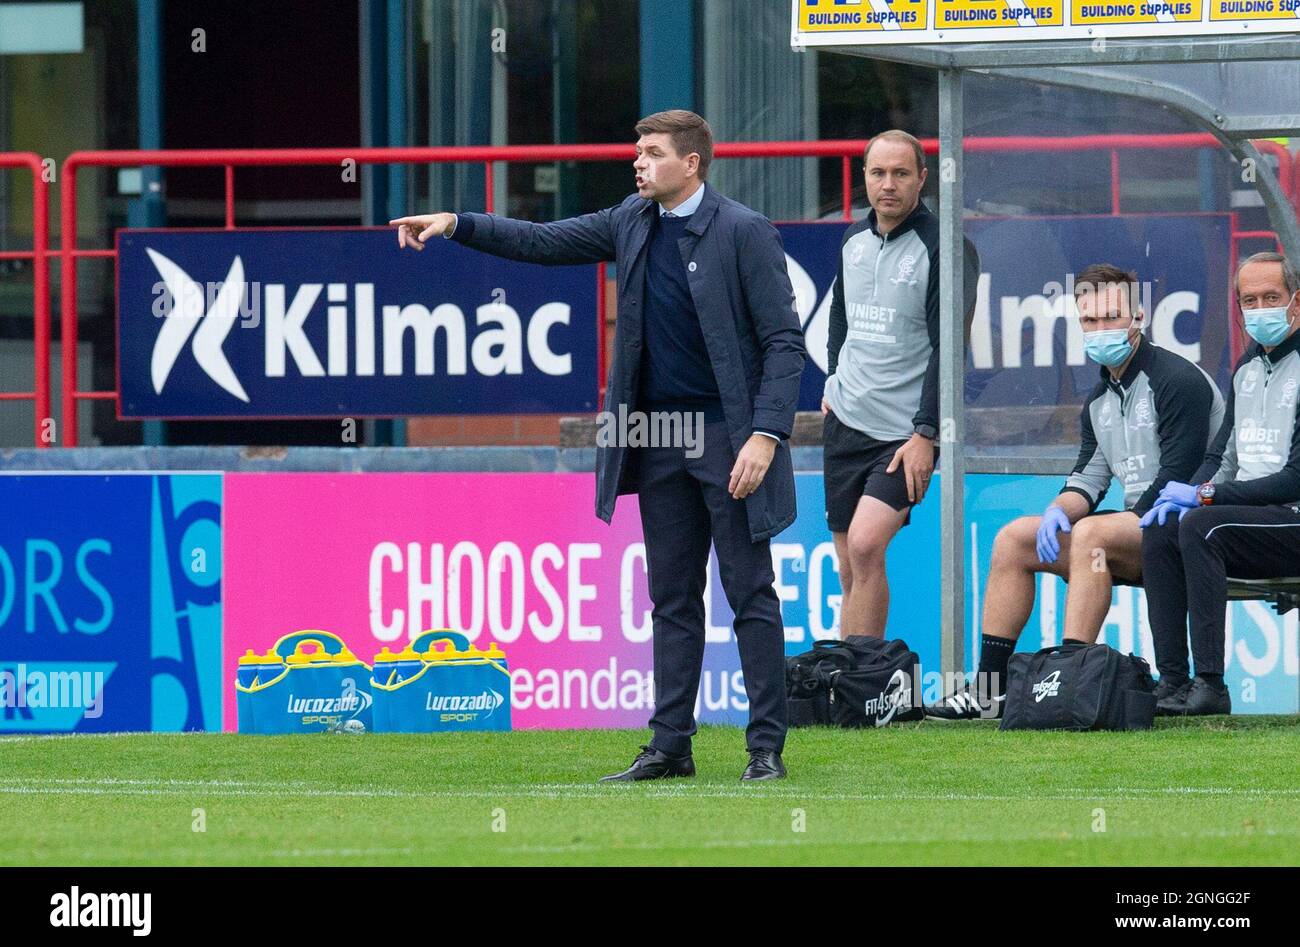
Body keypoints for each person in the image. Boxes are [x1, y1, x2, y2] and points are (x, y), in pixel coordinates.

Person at [391, 109, 805, 780]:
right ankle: (671, 746)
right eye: (636, 151)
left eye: (651, 153)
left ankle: (765, 750)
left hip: (730, 436)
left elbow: (786, 342)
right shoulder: (630, 221)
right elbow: (543, 240)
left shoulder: (743, 231)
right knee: (671, 598)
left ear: (691, 164)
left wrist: (765, 434)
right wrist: (458, 224)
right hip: (655, 436)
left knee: (749, 591)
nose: (637, 162)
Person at [927, 264, 1224, 719]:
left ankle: (1065, 682)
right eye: (1090, 320)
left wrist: (1090, 524)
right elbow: (1086, 478)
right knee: (1015, 539)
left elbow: (1177, 479)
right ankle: (990, 690)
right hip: (1131, 536)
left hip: (1184, 528)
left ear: (1138, 316)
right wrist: (1057, 511)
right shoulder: (1101, 400)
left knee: (1091, 537)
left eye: (1111, 317)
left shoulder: (1177, 380)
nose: (1100, 329)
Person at [821, 129, 979, 649]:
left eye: (901, 173)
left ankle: (859, 677)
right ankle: (851, 679)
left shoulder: (946, 246)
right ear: (864, 177)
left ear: (922, 179)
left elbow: (950, 348)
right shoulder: (851, 241)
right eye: (878, 173)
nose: (888, 185)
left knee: (867, 546)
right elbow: (839, 317)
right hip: (845, 421)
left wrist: (926, 432)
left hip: (902, 435)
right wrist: (833, 376)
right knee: (848, 563)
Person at [1140, 251, 1300, 717]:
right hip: (1253, 518)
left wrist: (1206, 496)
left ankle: (1211, 685)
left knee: (1202, 525)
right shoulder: (1247, 370)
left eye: (1272, 297)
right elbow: (1221, 457)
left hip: (1292, 517)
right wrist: (1186, 493)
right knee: (1162, 529)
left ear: (1297, 302)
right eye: (1249, 300)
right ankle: (1172, 681)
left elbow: (1296, 478)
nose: (1260, 308)